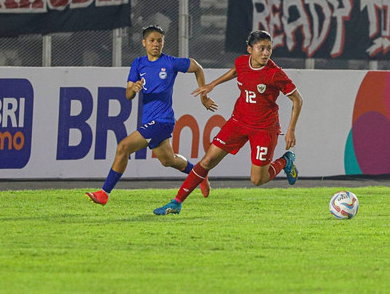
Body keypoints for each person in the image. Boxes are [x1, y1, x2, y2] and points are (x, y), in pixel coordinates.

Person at [153, 30, 304, 215]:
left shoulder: (274, 74)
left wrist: (291, 130)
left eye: (269, 49)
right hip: (238, 122)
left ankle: (285, 161)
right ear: (250, 49)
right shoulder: (242, 61)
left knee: (257, 180)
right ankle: (176, 203)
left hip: (264, 129)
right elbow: (236, 71)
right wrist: (212, 85)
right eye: (261, 48)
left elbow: (298, 100)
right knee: (207, 160)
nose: (266, 53)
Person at [86, 25, 218, 206]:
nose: (156, 44)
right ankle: (199, 173)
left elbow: (197, 67)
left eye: (159, 41)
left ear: (163, 42)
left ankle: (104, 193)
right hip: (149, 120)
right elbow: (128, 95)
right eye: (152, 41)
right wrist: (134, 88)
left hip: (163, 121)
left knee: (123, 147)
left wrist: (204, 95)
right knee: (168, 160)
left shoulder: (170, 62)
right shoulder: (138, 64)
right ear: (144, 43)